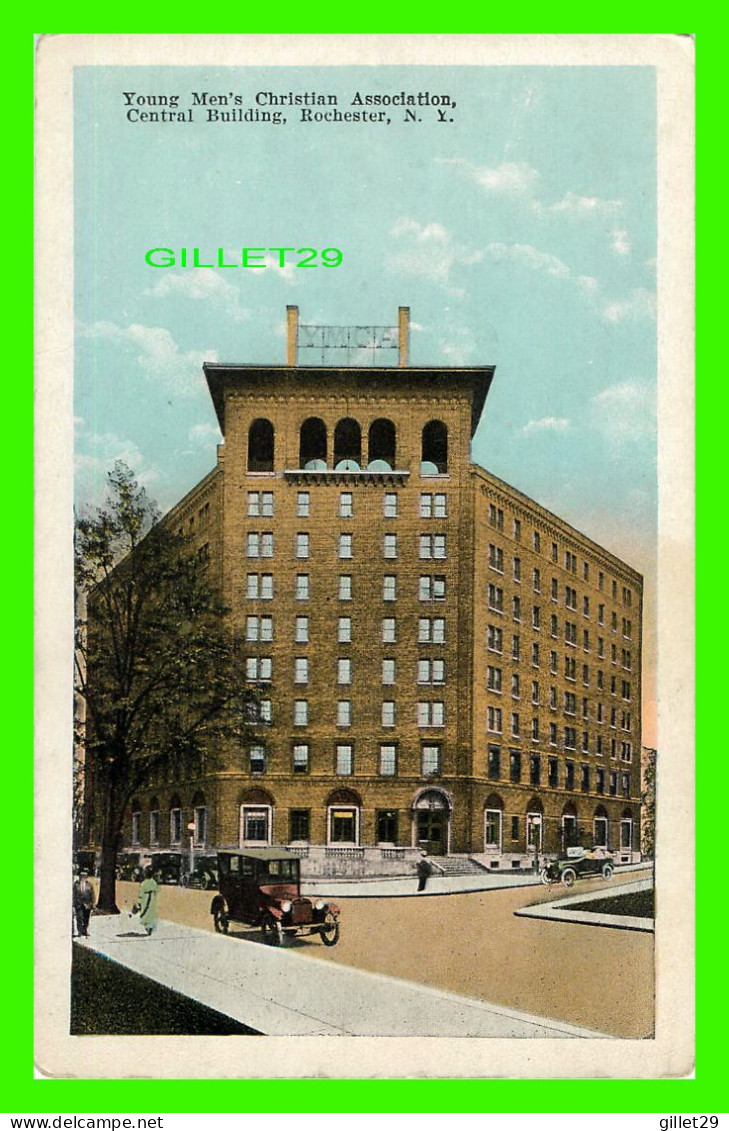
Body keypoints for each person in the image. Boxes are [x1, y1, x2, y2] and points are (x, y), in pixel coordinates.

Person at [137, 866, 160, 936]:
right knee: (150, 911)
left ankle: (148, 927)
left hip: (146, 898)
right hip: (152, 898)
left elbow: (141, 893)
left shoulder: (144, 883)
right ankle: (149, 926)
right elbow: (156, 890)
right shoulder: (154, 882)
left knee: (145, 911)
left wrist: (139, 900)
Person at [73, 869, 94, 937]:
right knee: (79, 918)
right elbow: (74, 894)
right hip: (79, 904)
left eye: (85, 876)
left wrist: (92, 903)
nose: (83, 877)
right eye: (82, 876)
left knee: (86, 918)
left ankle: (85, 930)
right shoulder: (76, 884)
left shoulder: (89, 885)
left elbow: (92, 894)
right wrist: (74, 903)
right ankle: (80, 931)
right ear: (79, 877)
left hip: (87, 904)